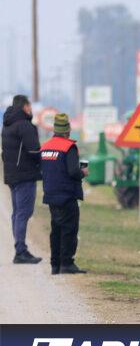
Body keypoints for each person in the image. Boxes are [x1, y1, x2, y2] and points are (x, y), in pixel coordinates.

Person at [40, 113, 87, 274]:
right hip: (66, 195)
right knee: (69, 229)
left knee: (56, 229)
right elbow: (73, 171)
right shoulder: (68, 147)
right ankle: (67, 263)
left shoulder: (45, 147)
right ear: (67, 130)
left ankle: (55, 264)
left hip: (51, 194)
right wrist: (82, 172)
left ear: (54, 129)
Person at [1, 94, 42, 264]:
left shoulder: (7, 126)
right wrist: (43, 163)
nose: (31, 109)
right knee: (24, 212)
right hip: (25, 175)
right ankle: (20, 251)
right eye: (30, 106)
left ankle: (19, 248)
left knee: (18, 212)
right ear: (25, 107)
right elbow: (34, 150)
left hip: (12, 175)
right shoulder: (25, 125)